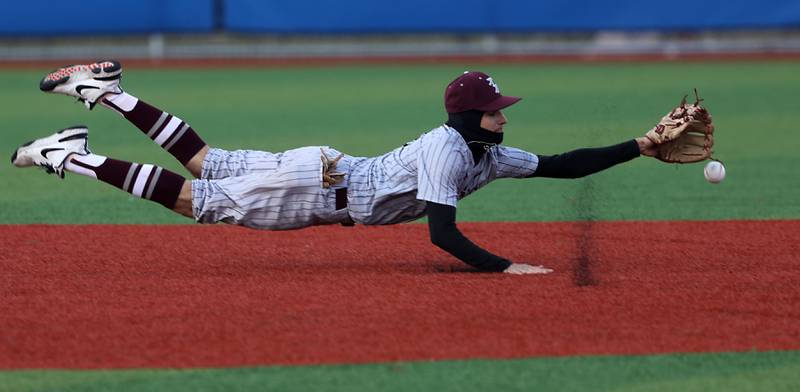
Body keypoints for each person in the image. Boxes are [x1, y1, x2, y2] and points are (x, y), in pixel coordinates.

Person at [12, 61, 658, 274]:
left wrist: (643, 144)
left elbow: (564, 166)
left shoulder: (486, 152)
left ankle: (108, 89)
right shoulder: (447, 149)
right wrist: (505, 267)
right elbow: (442, 233)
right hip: (318, 188)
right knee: (196, 197)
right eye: (493, 112)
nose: (503, 117)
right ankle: (71, 154)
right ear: (467, 117)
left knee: (204, 162)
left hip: (323, 168)